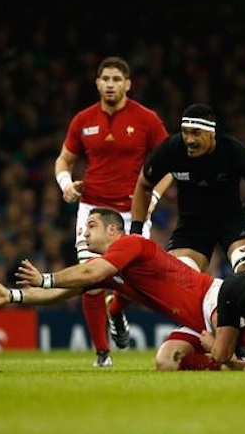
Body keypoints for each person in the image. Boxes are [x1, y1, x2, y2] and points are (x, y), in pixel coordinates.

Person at [0, 207, 245, 371]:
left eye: (92, 225)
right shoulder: (110, 270)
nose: (85, 232)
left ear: (113, 230)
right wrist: (13, 295)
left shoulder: (130, 243)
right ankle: (232, 366)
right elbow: (61, 294)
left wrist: (46, 278)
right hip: (191, 320)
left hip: (213, 298)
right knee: (165, 362)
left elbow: (88, 271)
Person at [54, 56, 172, 367]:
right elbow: (64, 160)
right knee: (91, 280)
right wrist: (65, 183)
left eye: (116, 79)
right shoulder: (83, 120)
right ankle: (102, 354)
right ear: (97, 83)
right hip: (92, 206)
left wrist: (154, 198)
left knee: (135, 282)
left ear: (127, 84)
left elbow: (170, 164)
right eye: (105, 78)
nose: (110, 84)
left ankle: (117, 310)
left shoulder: (146, 119)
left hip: (133, 210)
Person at [129, 103, 245, 274]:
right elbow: (144, 184)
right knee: (178, 279)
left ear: (212, 134)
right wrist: (136, 231)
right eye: (185, 132)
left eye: (196, 133)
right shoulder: (171, 149)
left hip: (231, 222)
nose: (189, 140)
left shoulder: (233, 152)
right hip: (191, 227)